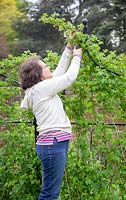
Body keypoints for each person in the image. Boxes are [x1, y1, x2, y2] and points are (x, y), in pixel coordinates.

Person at [20, 33, 82, 200]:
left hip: (53, 145)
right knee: (50, 194)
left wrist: (69, 48)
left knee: (51, 191)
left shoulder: (39, 88)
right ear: (38, 74)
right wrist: (77, 57)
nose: (49, 68)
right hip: (53, 146)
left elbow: (59, 73)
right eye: (45, 66)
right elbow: (69, 77)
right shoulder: (41, 89)